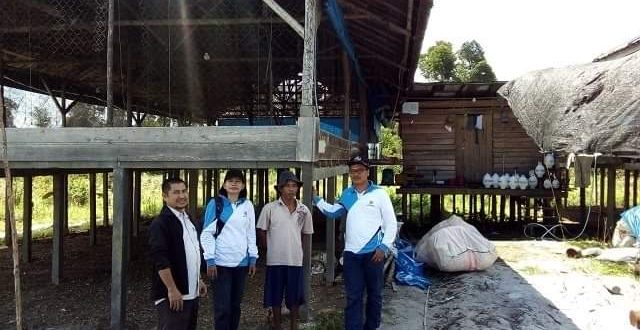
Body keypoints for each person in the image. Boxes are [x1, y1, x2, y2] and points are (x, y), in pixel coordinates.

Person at [313, 155, 397, 330]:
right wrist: (317, 199)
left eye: (360, 170)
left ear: (367, 172)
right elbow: (334, 212)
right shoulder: (347, 193)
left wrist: (383, 247)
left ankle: (372, 327)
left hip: (374, 254)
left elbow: (391, 223)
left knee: (374, 295)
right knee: (353, 297)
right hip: (351, 255)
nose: (356, 174)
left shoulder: (380, 194)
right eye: (353, 171)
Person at [201, 169, 258, 330]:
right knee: (222, 308)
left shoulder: (247, 205)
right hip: (220, 263)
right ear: (224, 184)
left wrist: (253, 257)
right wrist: (210, 259)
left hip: (241, 263)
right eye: (230, 181)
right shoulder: (216, 204)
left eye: (238, 181)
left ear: (243, 185)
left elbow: (250, 233)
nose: (234, 184)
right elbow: (206, 234)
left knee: (235, 306)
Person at [257, 170, 313, 330]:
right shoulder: (270, 208)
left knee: (294, 296)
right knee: (275, 295)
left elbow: (306, 233)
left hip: (294, 259)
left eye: (294, 186)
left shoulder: (303, 210)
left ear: (297, 188)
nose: (291, 189)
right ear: (280, 189)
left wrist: (297, 249)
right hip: (275, 259)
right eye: (287, 186)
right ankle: (277, 325)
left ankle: (294, 325)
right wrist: (269, 248)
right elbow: (262, 230)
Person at [149, 177, 207, 330]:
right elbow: (160, 259)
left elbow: (192, 252)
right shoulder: (161, 223)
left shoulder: (189, 220)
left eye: (184, 191)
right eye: (176, 192)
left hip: (191, 293)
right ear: (165, 196)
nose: (182, 196)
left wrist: (198, 279)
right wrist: (172, 289)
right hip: (174, 295)